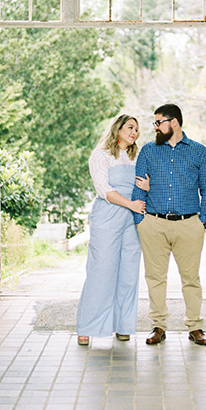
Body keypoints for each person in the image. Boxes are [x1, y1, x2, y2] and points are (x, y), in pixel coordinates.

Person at [132, 103, 206, 346]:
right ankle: (158, 326)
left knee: (191, 278)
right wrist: (141, 221)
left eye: (159, 122)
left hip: (189, 223)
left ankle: (195, 327)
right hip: (153, 224)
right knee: (155, 277)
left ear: (174, 122)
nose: (155, 127)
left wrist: (203, 221)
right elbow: (138, 187)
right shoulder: (147, 151)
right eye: (154, 123)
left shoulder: (200, 152)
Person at [76, 114, 149, 346]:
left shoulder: (137, 157)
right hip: (108, 217)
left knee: (128, 273)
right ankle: (87, 327)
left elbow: (146, 184)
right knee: (101, 271)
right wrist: (130, 204)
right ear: (117, 129)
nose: (134, 132)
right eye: (130, 127)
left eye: (136, 129)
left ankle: (123, 325)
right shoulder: (101, 156)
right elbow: (103, 190)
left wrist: (147, 187)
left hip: (132, 219)